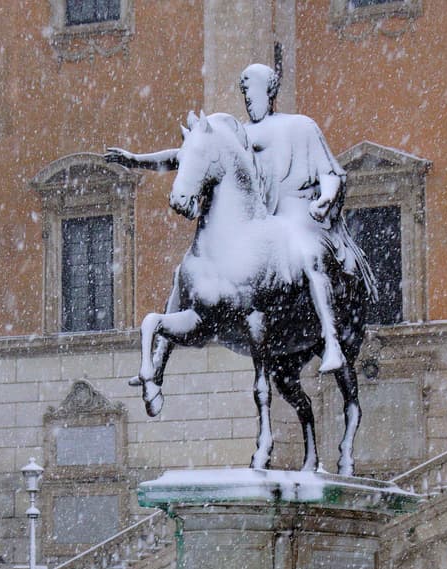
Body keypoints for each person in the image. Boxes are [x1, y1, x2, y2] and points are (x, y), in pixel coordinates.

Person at [106, 63, 372, 372]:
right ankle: (159, 360)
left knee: (308, 254)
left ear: (269, 91)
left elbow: (329, 174)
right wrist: (136, 160)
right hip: (261, 223)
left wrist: (325, 198)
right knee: (187, 271)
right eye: (243, 92)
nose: (246, 97)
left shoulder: (300, 127)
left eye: (251, 90)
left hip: (296, 214)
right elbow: (187, 155)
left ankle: (332, 344)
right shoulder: (237, 137)